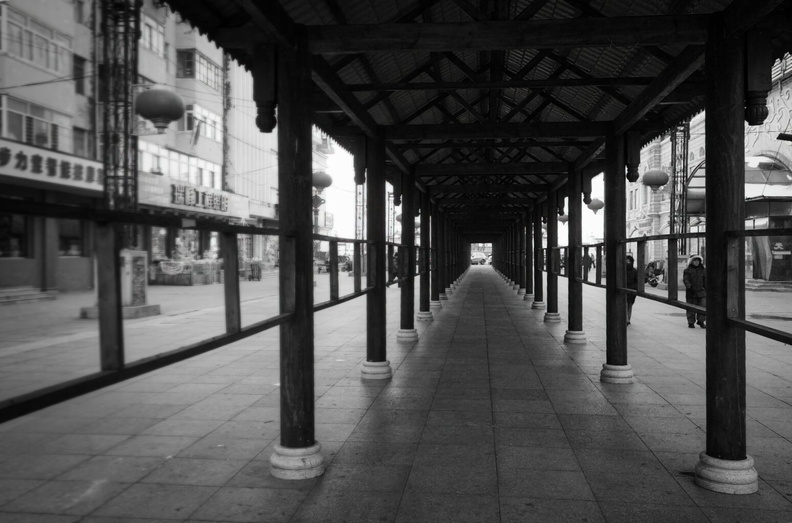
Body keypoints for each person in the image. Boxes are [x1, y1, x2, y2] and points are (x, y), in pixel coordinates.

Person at [683, 254, 706, 328]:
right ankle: (691, 322)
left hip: (701, 292)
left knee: (702, 307)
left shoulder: (703, 270)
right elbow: (686, 280)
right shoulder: (687, 270)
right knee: (691, 308)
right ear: (691, 262)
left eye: (698, 261)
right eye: (695, 261)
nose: (696, 262)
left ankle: (701, 321)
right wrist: (689, 287)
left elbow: (705, 281)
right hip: (691, 292)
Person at [625, 255, 638, 325]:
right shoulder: (622, 271)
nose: (627, 263)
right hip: (625, 290)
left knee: (630, 304)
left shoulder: (635, 271)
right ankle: (627, 319)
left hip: (632, 291)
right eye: (626, 261)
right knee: (626, 304)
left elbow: (637, 281)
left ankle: (628, 318)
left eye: (628, 261)